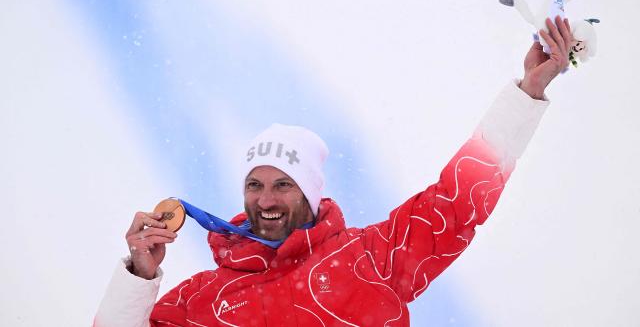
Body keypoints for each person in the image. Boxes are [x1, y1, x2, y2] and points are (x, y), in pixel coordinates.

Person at [95, 17, 574, 326]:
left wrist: (526, 93)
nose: (266, 199)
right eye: (255, 185)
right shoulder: (201, 301)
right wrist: (140, 273)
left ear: (310, 193)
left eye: (284, 184)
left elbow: (458, 202)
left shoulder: (371, 259)